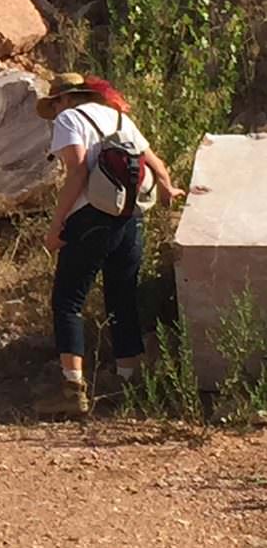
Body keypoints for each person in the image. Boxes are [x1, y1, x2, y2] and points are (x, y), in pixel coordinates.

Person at [33, 73, 184, 416]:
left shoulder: (69, 119)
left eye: (54, 104)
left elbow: (77, 173)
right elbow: (155, 162)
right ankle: (129, 383)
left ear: (64, 99)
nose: (54, 111)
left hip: (90, 219)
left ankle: (73, 391)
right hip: (131, 219)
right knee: (122, 297)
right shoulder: (119, 116)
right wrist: (166, 188)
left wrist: (57, 226)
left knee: (68, 301)